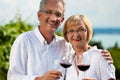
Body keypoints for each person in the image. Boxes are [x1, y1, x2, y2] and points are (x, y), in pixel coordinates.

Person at [7, 0, 113, 80]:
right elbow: (12, 77)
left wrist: (99, 54)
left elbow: (81, 51)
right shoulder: (24, 41)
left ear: (61, 20)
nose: (53, 18)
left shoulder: (65, 45)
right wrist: (39, 79)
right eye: (48, 12)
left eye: (57, 14)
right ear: (39, 15)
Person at [63, 14, 116, 80]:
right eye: (71, 31)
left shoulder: (101, 56)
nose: (76, 34)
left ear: (88, 32)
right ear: (66, 35)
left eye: (81, 29)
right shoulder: (68, 60)